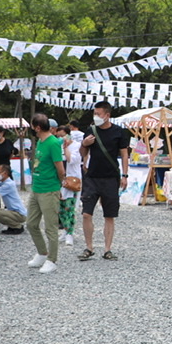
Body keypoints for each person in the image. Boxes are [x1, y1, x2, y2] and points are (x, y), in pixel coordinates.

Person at [79, 100, 130, 261]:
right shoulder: (90, 130)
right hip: (92, 177)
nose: (96, 116)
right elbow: (83, 152)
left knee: (109, 215)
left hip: (110, 178)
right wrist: (84, 143)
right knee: (86, 214)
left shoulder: (119, 132)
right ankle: (89, 247)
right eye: (94, 113)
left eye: (98, 114)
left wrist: (125, 175)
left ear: (107, 115)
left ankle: (107, 249)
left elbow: (124, 155)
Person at [25, 113, 64, 274]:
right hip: (37, 188)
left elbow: (60, 168)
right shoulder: (40, 141)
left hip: (49, 189)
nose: (32, 130)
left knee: (50, 227)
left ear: (38, 127)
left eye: (33, 127)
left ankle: (52, 260)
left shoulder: (53, 143)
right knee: (31, 223)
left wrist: (60, 186)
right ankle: (42, 253)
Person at [59, 128, 82, 247]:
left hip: (72, 180)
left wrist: (65, 147)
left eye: (63, 136)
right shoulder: (57, 145)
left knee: (70, 207)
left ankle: (70, 234)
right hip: (61, 179)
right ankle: (65, 230)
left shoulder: (77, 146)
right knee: (61, 208)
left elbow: (71, 160)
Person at [0, 163, 26, 234]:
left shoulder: (8, 184)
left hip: (19, 214)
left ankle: (17, 227)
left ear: (5, 173)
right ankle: (11, 226)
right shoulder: (3, 182)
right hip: (12, 211)